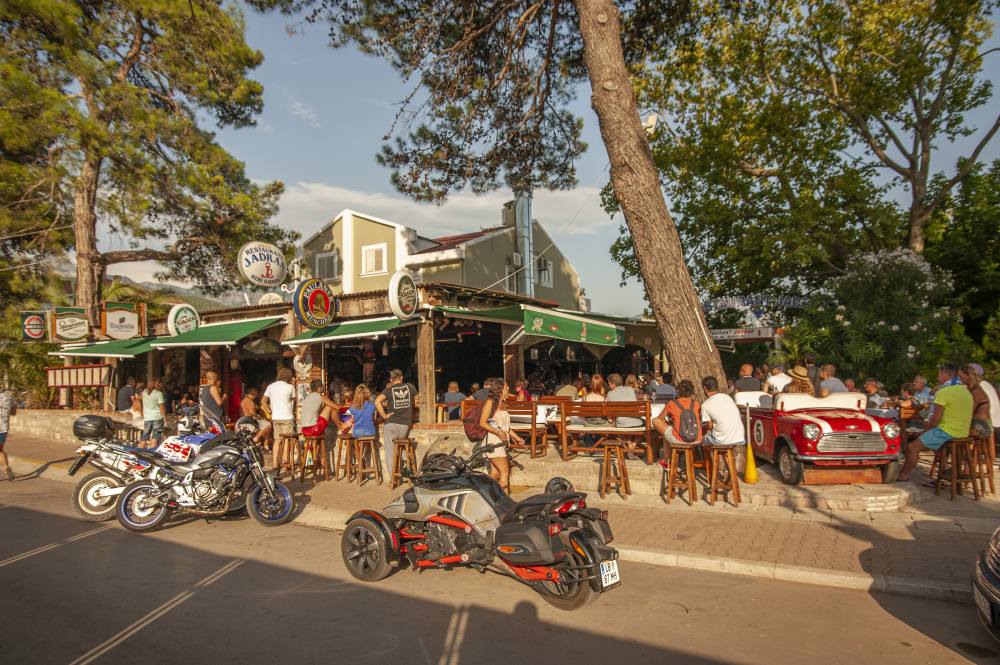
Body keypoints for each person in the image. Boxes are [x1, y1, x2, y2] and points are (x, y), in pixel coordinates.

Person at [899, 363, 974, 482]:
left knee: (912, 447)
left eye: (939, 374)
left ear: (944, 374)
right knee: (933, 446)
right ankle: (944, 471)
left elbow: (936, 418)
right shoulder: (966, 392)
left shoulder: (944, 392)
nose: (938, 377)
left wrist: (925, 432)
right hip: (962, 432)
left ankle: (903, 475)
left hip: (946, 431)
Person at [478, 378, 524, 495]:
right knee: (505, 473)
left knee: (495, 474)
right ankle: (505, 500)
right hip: (493, 442)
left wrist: (516, 437)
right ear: (500, 389)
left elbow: (505, 427)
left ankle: (483, 494)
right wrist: (498, 433)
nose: (508, 388)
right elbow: (482, 422)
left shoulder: (503, 403)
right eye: (506, 386)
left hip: (502, 442)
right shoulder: (490, 402)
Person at [375, 369, 417, 475]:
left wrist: (384, 416)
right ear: (402, 378)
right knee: (401, 445)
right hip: (404, 425)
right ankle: (406, 469)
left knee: (390, 451)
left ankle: (392, 478)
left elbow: (377, 401)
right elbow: (418, 401)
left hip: (390, 424)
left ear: (391, 379)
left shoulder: (389, 390)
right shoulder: (410, 387)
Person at [652, 379, 702, 459]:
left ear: (678, 391)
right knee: (667, 433)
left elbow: (659, 419)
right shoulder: (696, 404)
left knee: (655, 421)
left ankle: (666, 462)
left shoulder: (672, 403)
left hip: (679, 438)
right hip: (696, 439)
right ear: (691, 392)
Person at [262, 368, 296, 470]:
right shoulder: (290, 387)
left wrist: (269, 411)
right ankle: (285, 462)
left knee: (277, 440)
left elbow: (263, 401)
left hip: (275, 417)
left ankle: (275, 463)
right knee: (286, 440)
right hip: (287, 417)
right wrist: (293, 384)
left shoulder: (271, 386)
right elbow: (295, 399)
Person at [700, 376, 746, 449]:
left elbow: (709, 426)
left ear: (705, 389)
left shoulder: (705, 405)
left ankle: (711, 460)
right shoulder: (727, 397)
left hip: (722, 440)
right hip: (739, 437)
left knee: (702, 440)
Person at [959, 365, 994, 440]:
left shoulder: (976, 391)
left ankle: (960, 451)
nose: (959, 379)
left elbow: (967, 412)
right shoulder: (969, 389)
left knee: (949, 432)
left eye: (961, 376)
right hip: (975, 424)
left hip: (982, 426)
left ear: (969, 375)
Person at [969, 363, 1000, 443]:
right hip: (995, 423)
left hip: (988, 425)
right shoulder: (986, 384)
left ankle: (963, 453)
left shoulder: (977, 388)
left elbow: (969, 410)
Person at [140, 379, 166, 447]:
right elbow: (162, 408)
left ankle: (140, 449)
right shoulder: (159, 394)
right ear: (157, 384)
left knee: (145, 436)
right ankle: (152, 452)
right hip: (157, 417)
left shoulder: (144, 392)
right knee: (155, 436)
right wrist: (165, 418)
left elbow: (139, 398)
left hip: (147, 417)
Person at [0, 387, 15, 481]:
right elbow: (14, 412)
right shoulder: (8, 396)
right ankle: (6, 467)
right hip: (3, 429)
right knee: (0, 450)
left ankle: (6, 468)